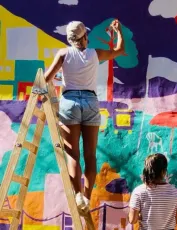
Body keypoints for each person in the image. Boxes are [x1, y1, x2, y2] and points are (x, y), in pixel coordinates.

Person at [43, 19, 126, 213]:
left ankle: (78, 194)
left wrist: (44, 92)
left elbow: (45, 79)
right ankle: (87, 199)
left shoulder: (63, 54)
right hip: (90, 102)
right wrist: (118, 31)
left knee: (73, 155)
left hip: (69, 102)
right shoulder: (95, 53)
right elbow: (120, 50)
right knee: (90, 156)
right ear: (85, 37)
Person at [128, 153, 177, 229]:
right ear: (164, 171)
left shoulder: (138, 191)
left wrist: (140, 216)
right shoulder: (176, 192)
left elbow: (132, 220)